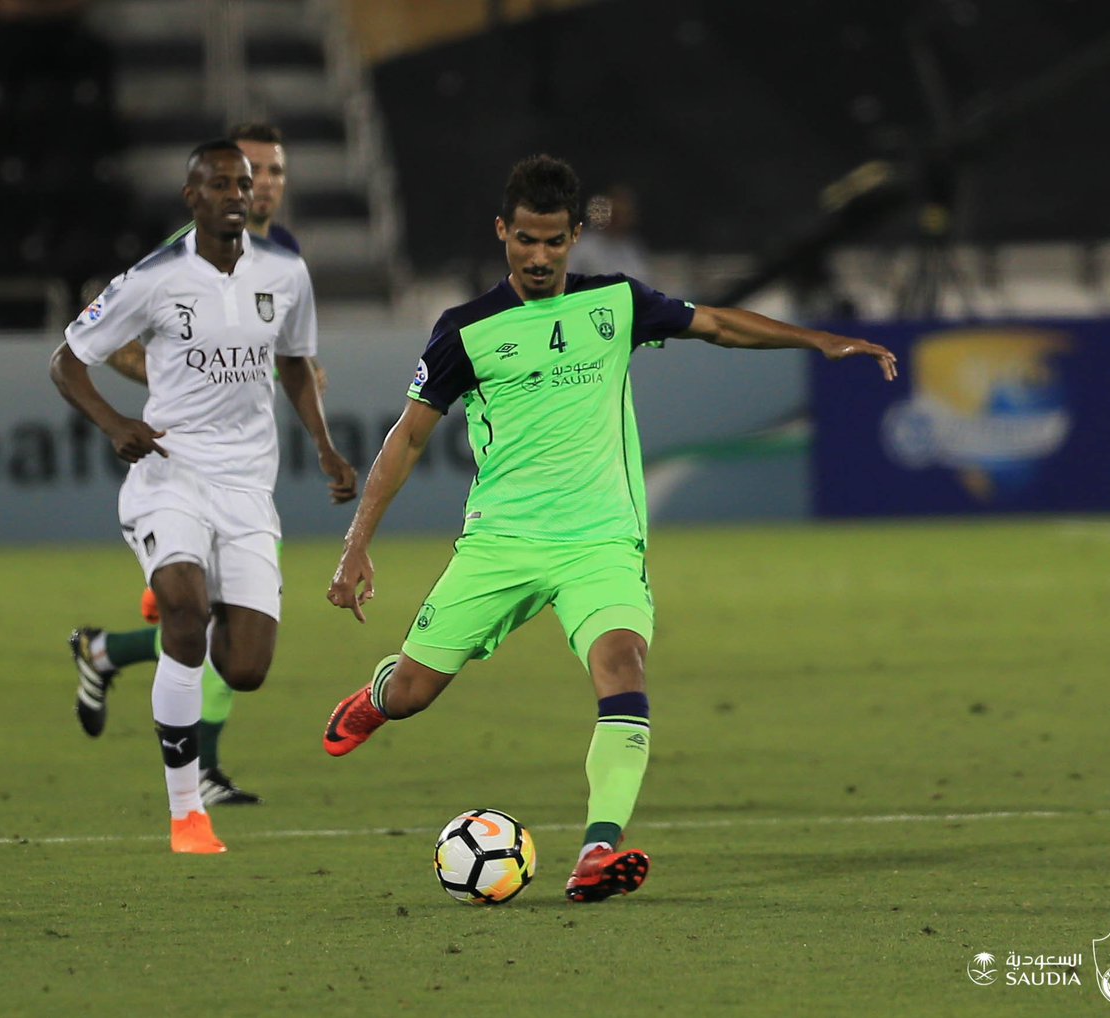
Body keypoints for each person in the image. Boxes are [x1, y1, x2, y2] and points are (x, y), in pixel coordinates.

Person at [321, 154, 897, 900]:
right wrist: (356, 543)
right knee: (412, 694)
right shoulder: (466, 330)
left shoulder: (616, 303)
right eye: (524, 240)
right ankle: (376, 695)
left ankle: (597, 850)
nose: (537, 257)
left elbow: (716, 324)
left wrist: (816, 340)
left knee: (623, 666)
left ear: (572, 240)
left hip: (599, 541)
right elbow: (406, 438)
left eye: (553, 242)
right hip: (501, 543)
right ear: (503, 232)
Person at [51, 139, 357, 853]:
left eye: (243, 183)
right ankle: (187, 810)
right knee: (186, 618)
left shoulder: (285, 271)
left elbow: (293, 362)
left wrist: (323, 444)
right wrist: (116, 422)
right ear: (191, 197)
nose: (235, 193)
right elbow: (67, 359)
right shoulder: (155, 277)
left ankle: (111, 647)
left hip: (247, 487)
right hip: (170, 474)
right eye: (218, 183)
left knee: (246, 667)